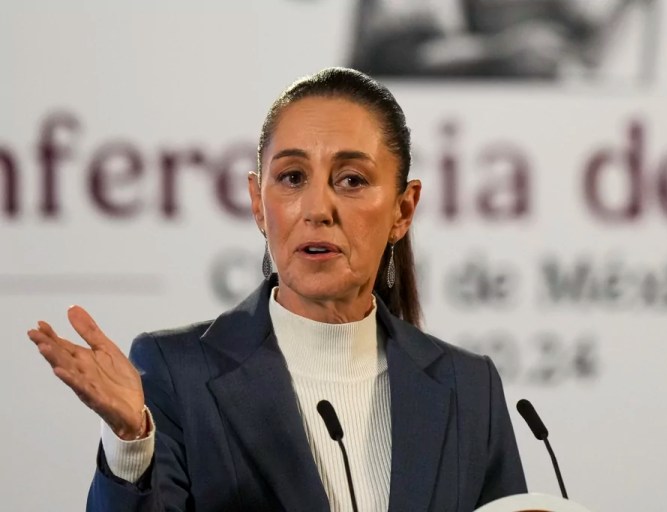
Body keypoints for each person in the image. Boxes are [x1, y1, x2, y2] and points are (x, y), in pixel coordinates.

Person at [27, 67, 527, 511]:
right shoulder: (177, 374)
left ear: (403, 209)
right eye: (291, 177)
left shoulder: (469, 389)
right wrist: (131, 444)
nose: (317, 209)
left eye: (352, 180)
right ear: (257, 202)